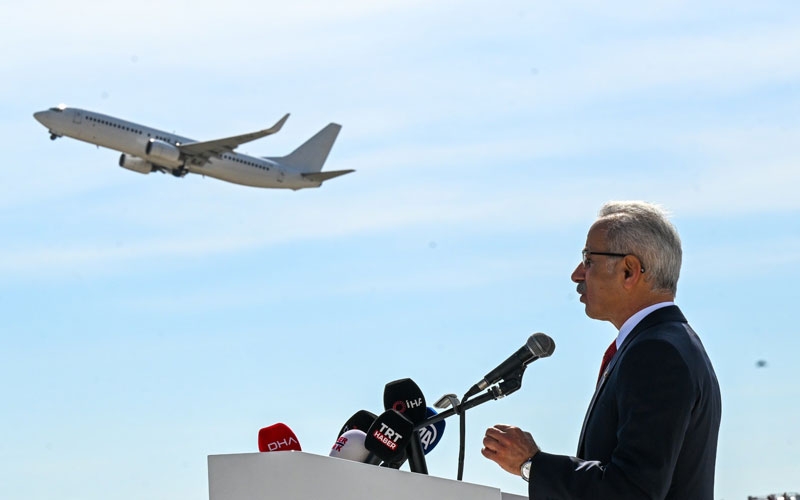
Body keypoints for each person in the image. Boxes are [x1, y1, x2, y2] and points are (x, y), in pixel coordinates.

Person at [481, 201, 721, 500]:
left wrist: (532, 464)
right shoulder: (668, 343)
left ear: (629, 270)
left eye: (588, 259)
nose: (577, 274)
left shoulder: (658, 352)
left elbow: (633, 491)